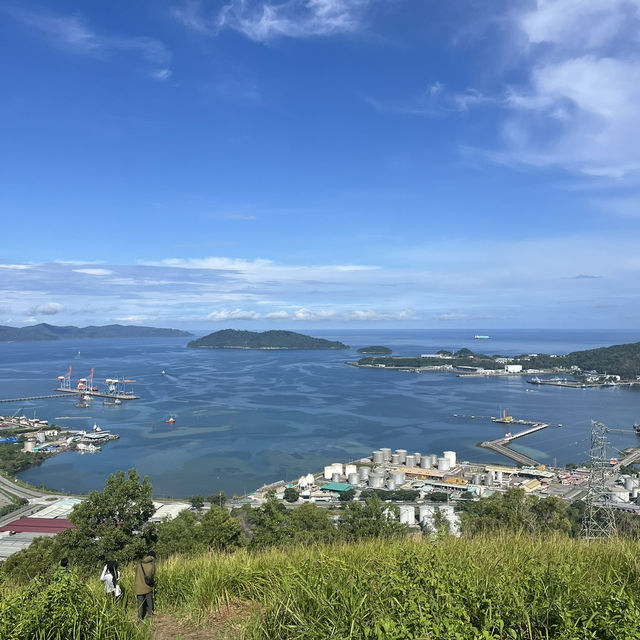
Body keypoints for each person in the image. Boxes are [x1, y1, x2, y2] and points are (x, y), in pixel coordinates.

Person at [134, 551, 156, 620]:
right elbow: (152, 575)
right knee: (149, 601)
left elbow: (136, 574)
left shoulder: (139, 564)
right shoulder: (151, 565)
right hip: (147, 586)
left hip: (138, 586)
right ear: (152, 557)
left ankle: (140, 618)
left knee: (140, 603)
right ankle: (150, 615)